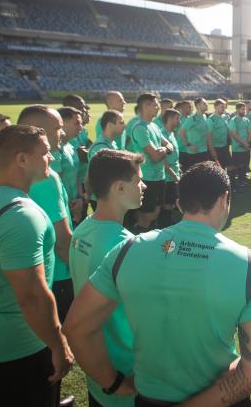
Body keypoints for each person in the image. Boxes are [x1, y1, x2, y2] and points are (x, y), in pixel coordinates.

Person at [64, 162, 251, 406]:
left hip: (148, 399)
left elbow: (76, 327)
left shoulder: (127, 250)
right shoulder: (249, 264)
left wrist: (113, 383)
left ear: (179, 204)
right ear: (224, 198)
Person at [0, 125, 73, 407]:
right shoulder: (22, 214)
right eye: (45, 153)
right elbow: (31, 296)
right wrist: (59, 346)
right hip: (18, 346)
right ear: (22, 159)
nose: (52, 158)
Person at [69, 149, 145, 407]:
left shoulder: (81, 231)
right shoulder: (125, 246)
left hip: (97, 375)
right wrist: (115, 382)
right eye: (138, 181)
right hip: (123, 377)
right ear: (119, 188)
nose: (143, 186)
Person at [18, 106, 75, 324]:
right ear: (39, 131)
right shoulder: (46, 177)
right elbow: (61, 241)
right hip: (57, 274)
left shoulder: (6, 167)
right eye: (58, 128)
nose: (63, 132)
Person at [129, 94, 169, 233]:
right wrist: (165, 150)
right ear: (146, 106)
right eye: (155, 105)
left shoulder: (154, 126)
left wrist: (164, 149)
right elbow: (155, 156)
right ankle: (139, 237)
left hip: (159, 176)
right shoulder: (140, 128)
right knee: (146, 214)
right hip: (147, 177)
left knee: (155, 211)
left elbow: (168, 145)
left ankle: (144, 233)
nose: (158, 107)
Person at [57, 107, 84, 225]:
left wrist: (79, 198)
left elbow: (77, 175)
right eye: (77, 123)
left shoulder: (71, 147)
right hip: (61, 208)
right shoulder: (55, 150)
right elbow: (56, 182)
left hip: (74, 205)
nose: (81, 127)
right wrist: (70, 205)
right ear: (62, 123)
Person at [158, 109, 181, 229]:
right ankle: (165, 225)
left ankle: (167, 222)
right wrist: (175, 176)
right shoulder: (162, 135)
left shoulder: (172, 133)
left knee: (171, 201)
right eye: (177, 118)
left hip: (174, 173)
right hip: (168, 176)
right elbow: (164, 162)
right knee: (167, 203)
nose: (179, 121)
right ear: (170, 119)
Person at [179, 98, 211, 167]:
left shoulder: (204, 116)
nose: (207, 105)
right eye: (204, 103)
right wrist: (188, 145)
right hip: (194, 153)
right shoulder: (192, 118)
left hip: (204, 151)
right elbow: (181, 132)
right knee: (195, 175)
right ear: (198, 105)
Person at [228, 103, 251, 189]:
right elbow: (234, 134)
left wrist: (248, 142)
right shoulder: (233, 120)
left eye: (244, 109)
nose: (244, 111)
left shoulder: (246, 120)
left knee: (245, 165)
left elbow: (249, 131)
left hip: (246, 148)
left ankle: (242, 180)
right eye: (242, 109)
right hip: (237, 149)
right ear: (237, 110)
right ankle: (236, 184)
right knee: (237, 166)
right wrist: (244, 143)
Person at [208, 99, 231, 170]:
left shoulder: (225, 117)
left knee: (225, 167)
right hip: (215, 148)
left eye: (225, 107)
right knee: (216, 169)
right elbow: (208, 136)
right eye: (222, 107)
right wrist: (212, 150)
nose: (224, 109)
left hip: (224, 147)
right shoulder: (211, 119)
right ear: (216, 107)